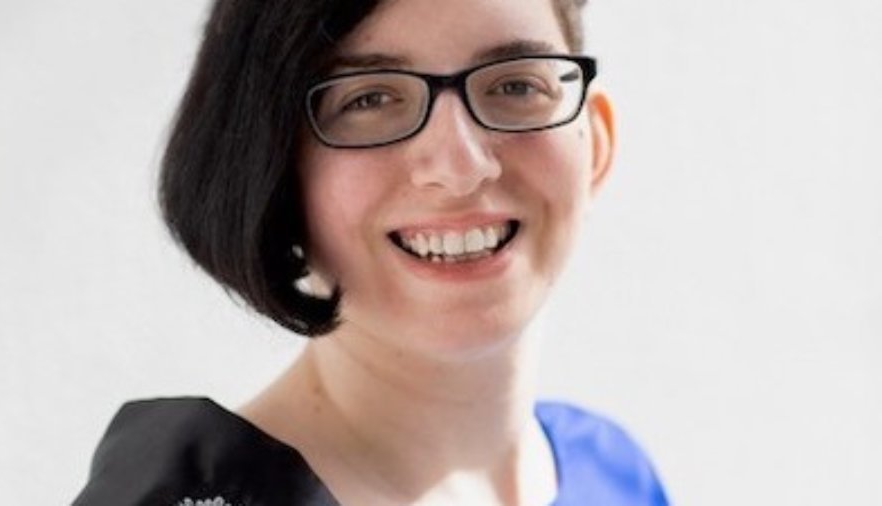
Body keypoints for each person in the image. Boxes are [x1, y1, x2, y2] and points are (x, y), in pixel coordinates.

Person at [75, 0, 669, 504]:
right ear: (272, 170)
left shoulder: (614, 476)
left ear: (596, 146)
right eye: (369, 99)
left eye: (516, 83)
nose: (460, 166)